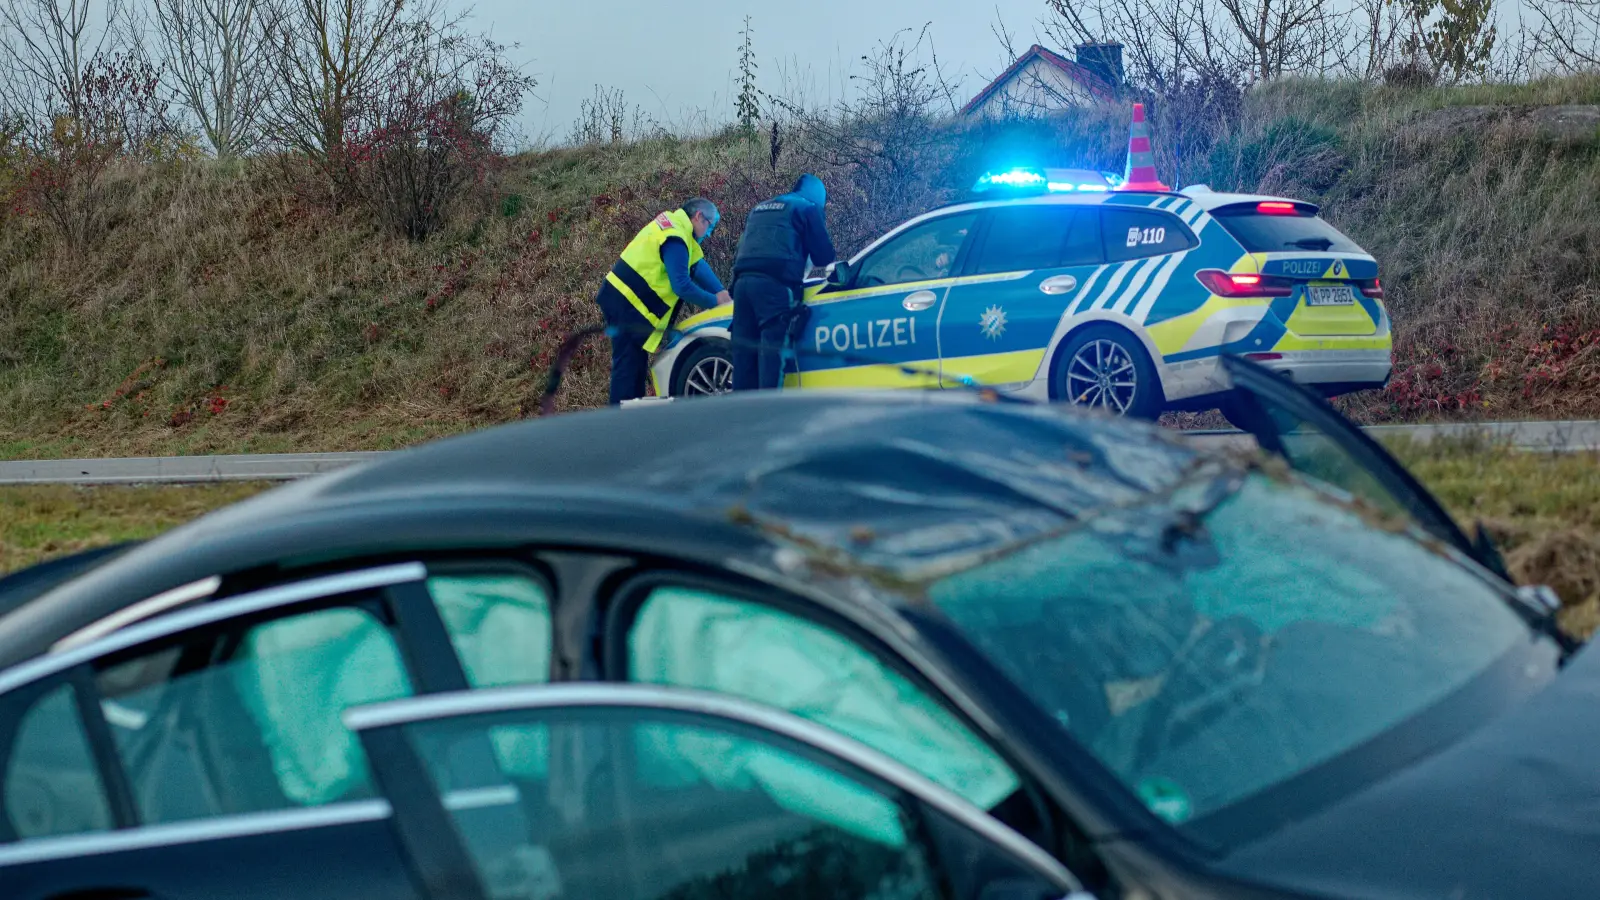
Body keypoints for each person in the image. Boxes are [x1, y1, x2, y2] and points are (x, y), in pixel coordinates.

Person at [594, 198, 731, 404]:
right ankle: (619, 422)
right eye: (709, 225)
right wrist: (715, 303)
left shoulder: (678, 230)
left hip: (625, 301)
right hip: (626, 303)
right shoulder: (675, 236)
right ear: (698, 216)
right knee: (628, 366)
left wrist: (721, 291)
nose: (709, 233)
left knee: (634, 365)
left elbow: (697, 265)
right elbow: (682, 286)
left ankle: (630, 416)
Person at [729, 174, 837, 391]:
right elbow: (824, 258)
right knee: (772, 354)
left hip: (741, 286)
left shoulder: (760, 208)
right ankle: (770, 414)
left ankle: (740, 415)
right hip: (775, 288)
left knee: (743, 357)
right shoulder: (807, 208)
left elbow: (742, 250)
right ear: (818, 198)